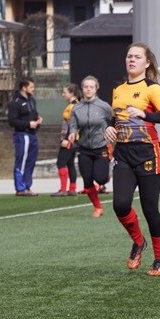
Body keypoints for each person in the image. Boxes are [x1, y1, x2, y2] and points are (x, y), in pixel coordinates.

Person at [104, 43, 160, 276]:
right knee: (120, 204)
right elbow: (116, 120)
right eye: (129, 56)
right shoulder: (118, 89)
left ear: (147, 63)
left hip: (148, 153)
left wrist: (145, 113)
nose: (131, 59)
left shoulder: (152, 88)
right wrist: (109, 129)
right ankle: (138, 241)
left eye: (137, 56)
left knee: (150, 209)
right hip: (123, 153)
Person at [66, 76, 114, 217]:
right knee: (87, 181)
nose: (88, 89)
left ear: (96, 88)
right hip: (84, 149)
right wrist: (72, 133)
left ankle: (106, 173)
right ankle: (98, 207)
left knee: (100, 179)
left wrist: (111, 134)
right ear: (82, 88)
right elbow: (73, 126)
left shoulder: (104, 106)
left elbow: (113, 122)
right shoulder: (76, 108)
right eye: (86, 87)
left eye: (91, 87)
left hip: (101, 147)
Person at [7, 77, 42, 196]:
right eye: (31, 87)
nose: (33, 89)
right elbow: (12, 121)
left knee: (31, 161)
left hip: (33, 135)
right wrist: (27, 124)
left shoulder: (32, 101)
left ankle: (27, 186)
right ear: (24, 88)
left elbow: (34, 114)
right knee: (21, 160)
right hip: (22, 135)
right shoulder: (15, 103)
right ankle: (20, 188)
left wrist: (38, 120)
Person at [51, 83, 80, 196]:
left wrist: (66, 139)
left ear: (72, 93)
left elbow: (73, 124)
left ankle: (63, 189)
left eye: (65, 92)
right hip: (73, 139)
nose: (63, 94)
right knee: (70, 163)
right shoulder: (73, 105)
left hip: (70, 139)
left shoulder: (74, 106)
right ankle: (72, 189)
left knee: (61, 162)